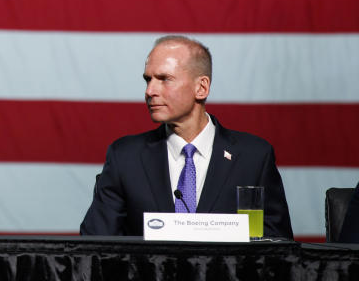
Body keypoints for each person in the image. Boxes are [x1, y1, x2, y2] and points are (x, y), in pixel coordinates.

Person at [80, 35, 293, 238]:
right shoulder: (125, 157)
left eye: (164, 79)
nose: (150, 91)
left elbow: (277, 249)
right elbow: (95, 247)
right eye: (148, 80)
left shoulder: (254, 158)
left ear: (201, 88)